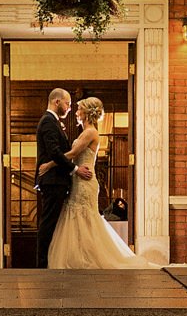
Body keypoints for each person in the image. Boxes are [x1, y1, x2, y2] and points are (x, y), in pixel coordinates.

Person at [45, 96, 154, 269]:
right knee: (80, 219)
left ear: (87, 113)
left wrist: (48, 165)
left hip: (84, 181)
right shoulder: (85, 132)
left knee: (84, 218)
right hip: (79, 178)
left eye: (79, 109)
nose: (76, 112)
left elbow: (73, 154)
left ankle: (88, 258)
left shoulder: (90, 132)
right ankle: (81, 256)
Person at [32, 88, 91, 267]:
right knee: (48, 224)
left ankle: (49, 261)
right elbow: (55, 152)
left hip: (57, 180)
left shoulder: (53, 122)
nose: (69, 108)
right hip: (53, 181)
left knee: (53, 224)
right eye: (67, 104)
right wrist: (75, 169)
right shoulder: (48, 122)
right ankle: (41, 265)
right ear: (57, 102)